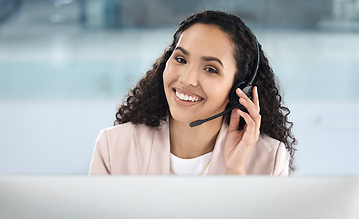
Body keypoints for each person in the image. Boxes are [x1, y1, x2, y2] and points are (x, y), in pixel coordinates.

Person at [89, 10, 296, 176]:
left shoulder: (270, 160)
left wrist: (235, 172)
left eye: (210, 69)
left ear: (239, 89)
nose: (187, 79)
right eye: (180, 59)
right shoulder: (113, 147)